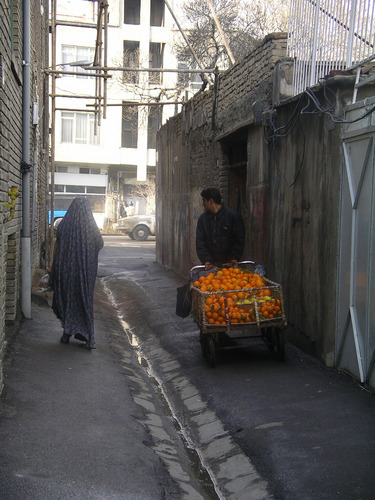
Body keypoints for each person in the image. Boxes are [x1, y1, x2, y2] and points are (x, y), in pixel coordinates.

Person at [48, 196, 104, 348]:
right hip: (83, 274)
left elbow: (58, 243)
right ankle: (86, 336)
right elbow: (100, 243)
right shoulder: (90, 227)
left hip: (64, 272)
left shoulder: (64, 225)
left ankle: (66, 334)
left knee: (67, 300)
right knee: (82, 301)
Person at [196, 187, 245, 270]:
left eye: (204, 200)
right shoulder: (203, 219)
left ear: (211, 201)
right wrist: (207, 260)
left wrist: (234, 257)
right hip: (210, 266)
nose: (203, 204)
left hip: (229, 266)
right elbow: (200, 241)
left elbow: (239, 239)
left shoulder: (233, 216)